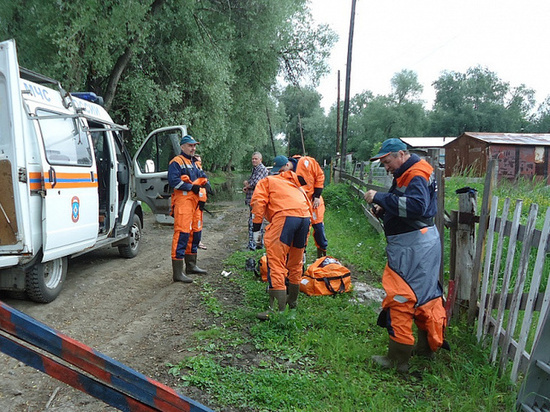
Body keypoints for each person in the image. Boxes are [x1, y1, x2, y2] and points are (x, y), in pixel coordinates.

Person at [363, 138, 448, 372]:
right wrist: (386, 208)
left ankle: (398, 360)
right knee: (425, 295)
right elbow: (408, 203)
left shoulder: (416, 173)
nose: (385, 166)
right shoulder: (411, 171)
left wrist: (379, 198)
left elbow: (416, 207)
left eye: (387, 161)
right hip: (421, 242)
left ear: (401, 154)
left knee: (401, 295)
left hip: (412, 247)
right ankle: (427, 347)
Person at [251, 155, 312, 320]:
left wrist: (256, 229)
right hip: (305, 218)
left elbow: (258, 203)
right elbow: (306, 204)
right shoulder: (294, 184)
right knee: (295, 263)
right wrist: (304, 245)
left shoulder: (267, 182)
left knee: (276, 263)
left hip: (285, 218)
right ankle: (292, 303)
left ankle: (277, 311)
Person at [168, 135, 209, 283]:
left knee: (195, 234)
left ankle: (191, 265)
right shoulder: (176, 162)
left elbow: (203, 176)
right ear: (183, 147)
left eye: (194, 146)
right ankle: (177, 272)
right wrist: (191, 186)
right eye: (190, 146)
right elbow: (173, 181)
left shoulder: (196, 163)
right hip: (184, 202)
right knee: (182, 234)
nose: (193, 148)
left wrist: (206, 185)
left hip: (196, 202)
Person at [288, 155, 328, 258]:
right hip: (300, 204)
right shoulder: (285, 174)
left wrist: (317, 195)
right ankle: (301, 259)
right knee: (302, 232)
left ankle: (322, 256)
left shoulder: (309, 162)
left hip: (314, 202)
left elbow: (320, 176)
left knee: (319, 229)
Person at [243, 152, 269, 250]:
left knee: (254, 222)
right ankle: (257, 244)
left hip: (258, 201)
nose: (254, 160)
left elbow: (257, 183)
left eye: (256, 159)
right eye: (253, 159)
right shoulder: (255, 169)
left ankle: (254, 245)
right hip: (253, 199)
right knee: (254, 222)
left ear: (260, 160)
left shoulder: (261, 169)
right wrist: (247, 187)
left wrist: (247, 184)